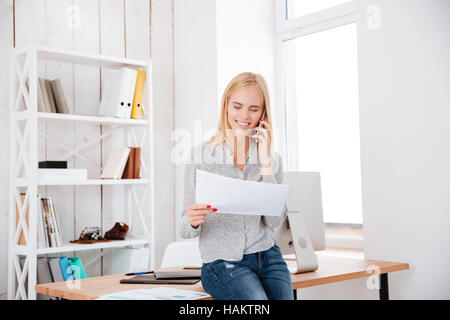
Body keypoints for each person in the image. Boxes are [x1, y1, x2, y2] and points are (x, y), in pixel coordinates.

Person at [179, 72, 293, 300]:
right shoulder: (201, 156)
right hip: (222, 263)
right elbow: (183, 229)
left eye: (253, 109)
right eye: (237, 106)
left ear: (263, 113)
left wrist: (266, 163)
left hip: (268, 256)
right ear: (226, 107)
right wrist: (192, 220)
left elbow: (273, 221)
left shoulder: (271, 158)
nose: (244, 115)